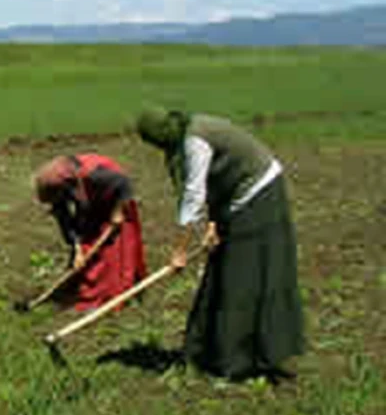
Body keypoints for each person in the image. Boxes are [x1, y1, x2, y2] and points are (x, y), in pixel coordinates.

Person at [137, 109, 305, 380]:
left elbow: (194, 196)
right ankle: (205, 351)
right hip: (234, 198)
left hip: (260, 192)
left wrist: (179, 251)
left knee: (242, 273)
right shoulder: (184, 142)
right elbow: (211, 183)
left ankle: (239, 359)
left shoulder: (196, 140)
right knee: (222, 266)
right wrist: (213, 224)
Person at [33, 154, 147, 310]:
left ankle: (119, 290)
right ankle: (79, 287)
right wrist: (77, 247)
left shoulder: (95, 175)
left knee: (115, 253)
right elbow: (66, 222)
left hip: (115, 200)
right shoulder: (61, 191)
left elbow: (124, 184)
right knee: (87, 249)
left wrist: (118, 211)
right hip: (91, 205)